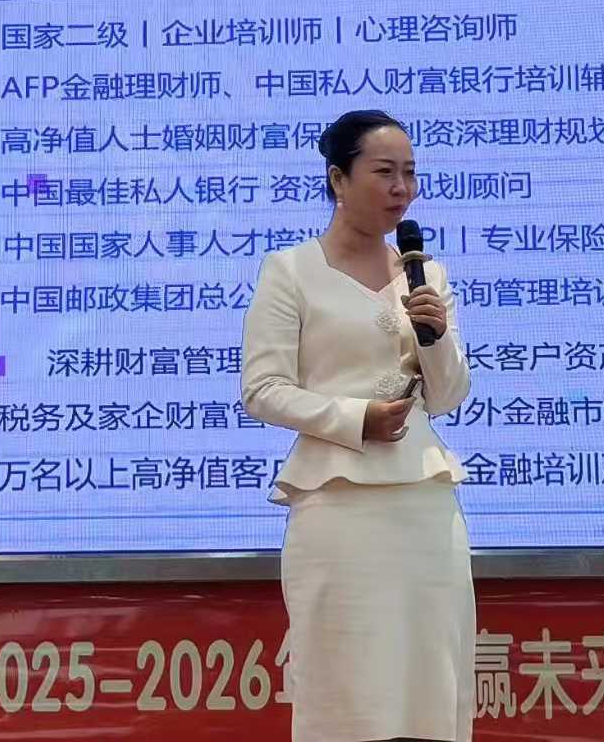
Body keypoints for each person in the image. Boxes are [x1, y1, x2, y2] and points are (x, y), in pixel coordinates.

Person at [241, 109, 474, 742]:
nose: (402, 188)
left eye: (410, 174)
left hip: (424, 502)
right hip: (338, 501)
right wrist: (355, 418)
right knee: (347, 678)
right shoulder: (290, 271)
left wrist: (434, 336)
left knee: (431, 671)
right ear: (339, 179)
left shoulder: (425, 276)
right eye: (385, 172)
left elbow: (447, 396)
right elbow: (262, 390)